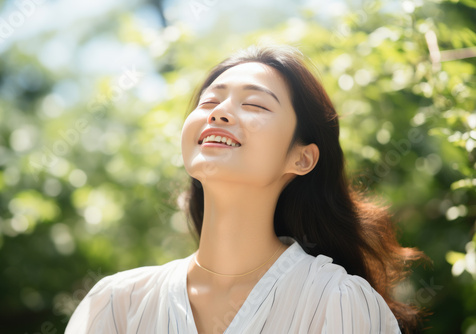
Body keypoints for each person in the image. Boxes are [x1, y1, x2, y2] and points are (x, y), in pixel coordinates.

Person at [65, 44, 425, 334]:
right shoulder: (116, 304)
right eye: (209, 101)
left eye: (254, 104)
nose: (219, 113)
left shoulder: (337, 302)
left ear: (302, 159)